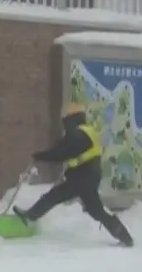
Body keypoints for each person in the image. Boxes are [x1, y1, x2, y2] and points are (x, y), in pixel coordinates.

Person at [13, 102, 134, 247]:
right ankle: (124, 236)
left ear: (70, 118)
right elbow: (67, 152)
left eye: (65, 119)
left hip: (82, 177)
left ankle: (30, 216)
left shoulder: (77, 134)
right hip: (89, 176)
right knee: (96, 211)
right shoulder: (87, 131)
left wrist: (39, 156)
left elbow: (60, 153)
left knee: (54, 195)